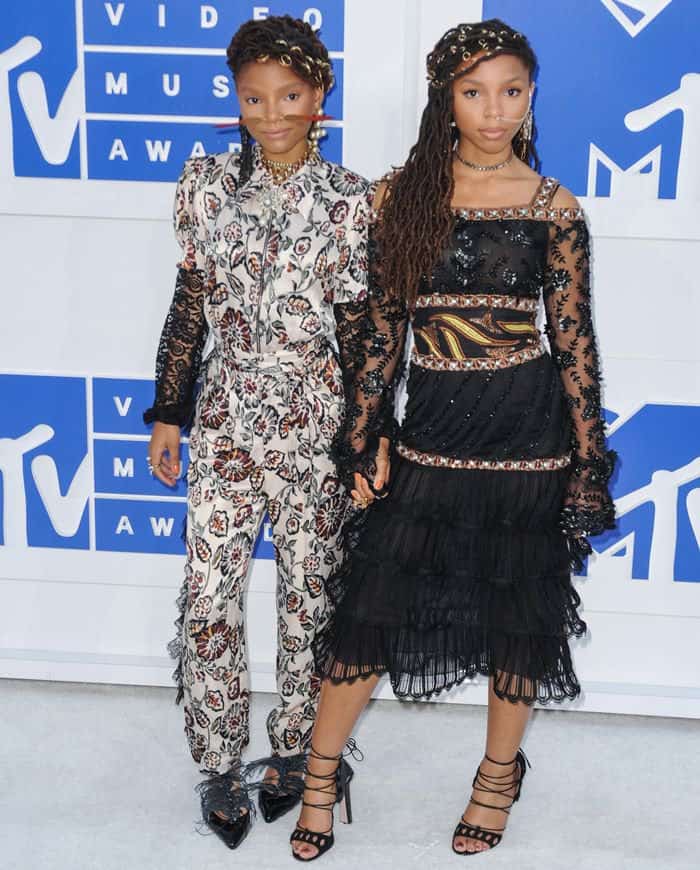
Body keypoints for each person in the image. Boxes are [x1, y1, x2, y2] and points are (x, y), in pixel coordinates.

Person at [288, 19, 616, 860]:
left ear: (532, 96)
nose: (495, 109)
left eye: (512, 90)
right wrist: (367, 436)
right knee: (368, 615)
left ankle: (496, 779)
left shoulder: (554, 208)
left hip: (527, 433)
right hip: (432, 428)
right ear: (446, 100)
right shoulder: (400, 197)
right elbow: (380, 333)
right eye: (475, 91)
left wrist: (588, 461)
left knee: (519, 616)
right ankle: (321, 777)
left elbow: (575, 344)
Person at [143, 15, 374, 850]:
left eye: (289, 96)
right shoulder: (204, 186)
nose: (271, 113)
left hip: (315, 429)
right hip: (226, 425)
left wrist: (366, 437)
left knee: (310, 600)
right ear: (236, 99)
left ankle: (299, 756)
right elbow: (190, 309)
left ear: (319, 97)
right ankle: (216, 760)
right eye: (253, 98)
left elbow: (362, 334)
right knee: (209, 597)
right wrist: (168, 412)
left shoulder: (351, 201)